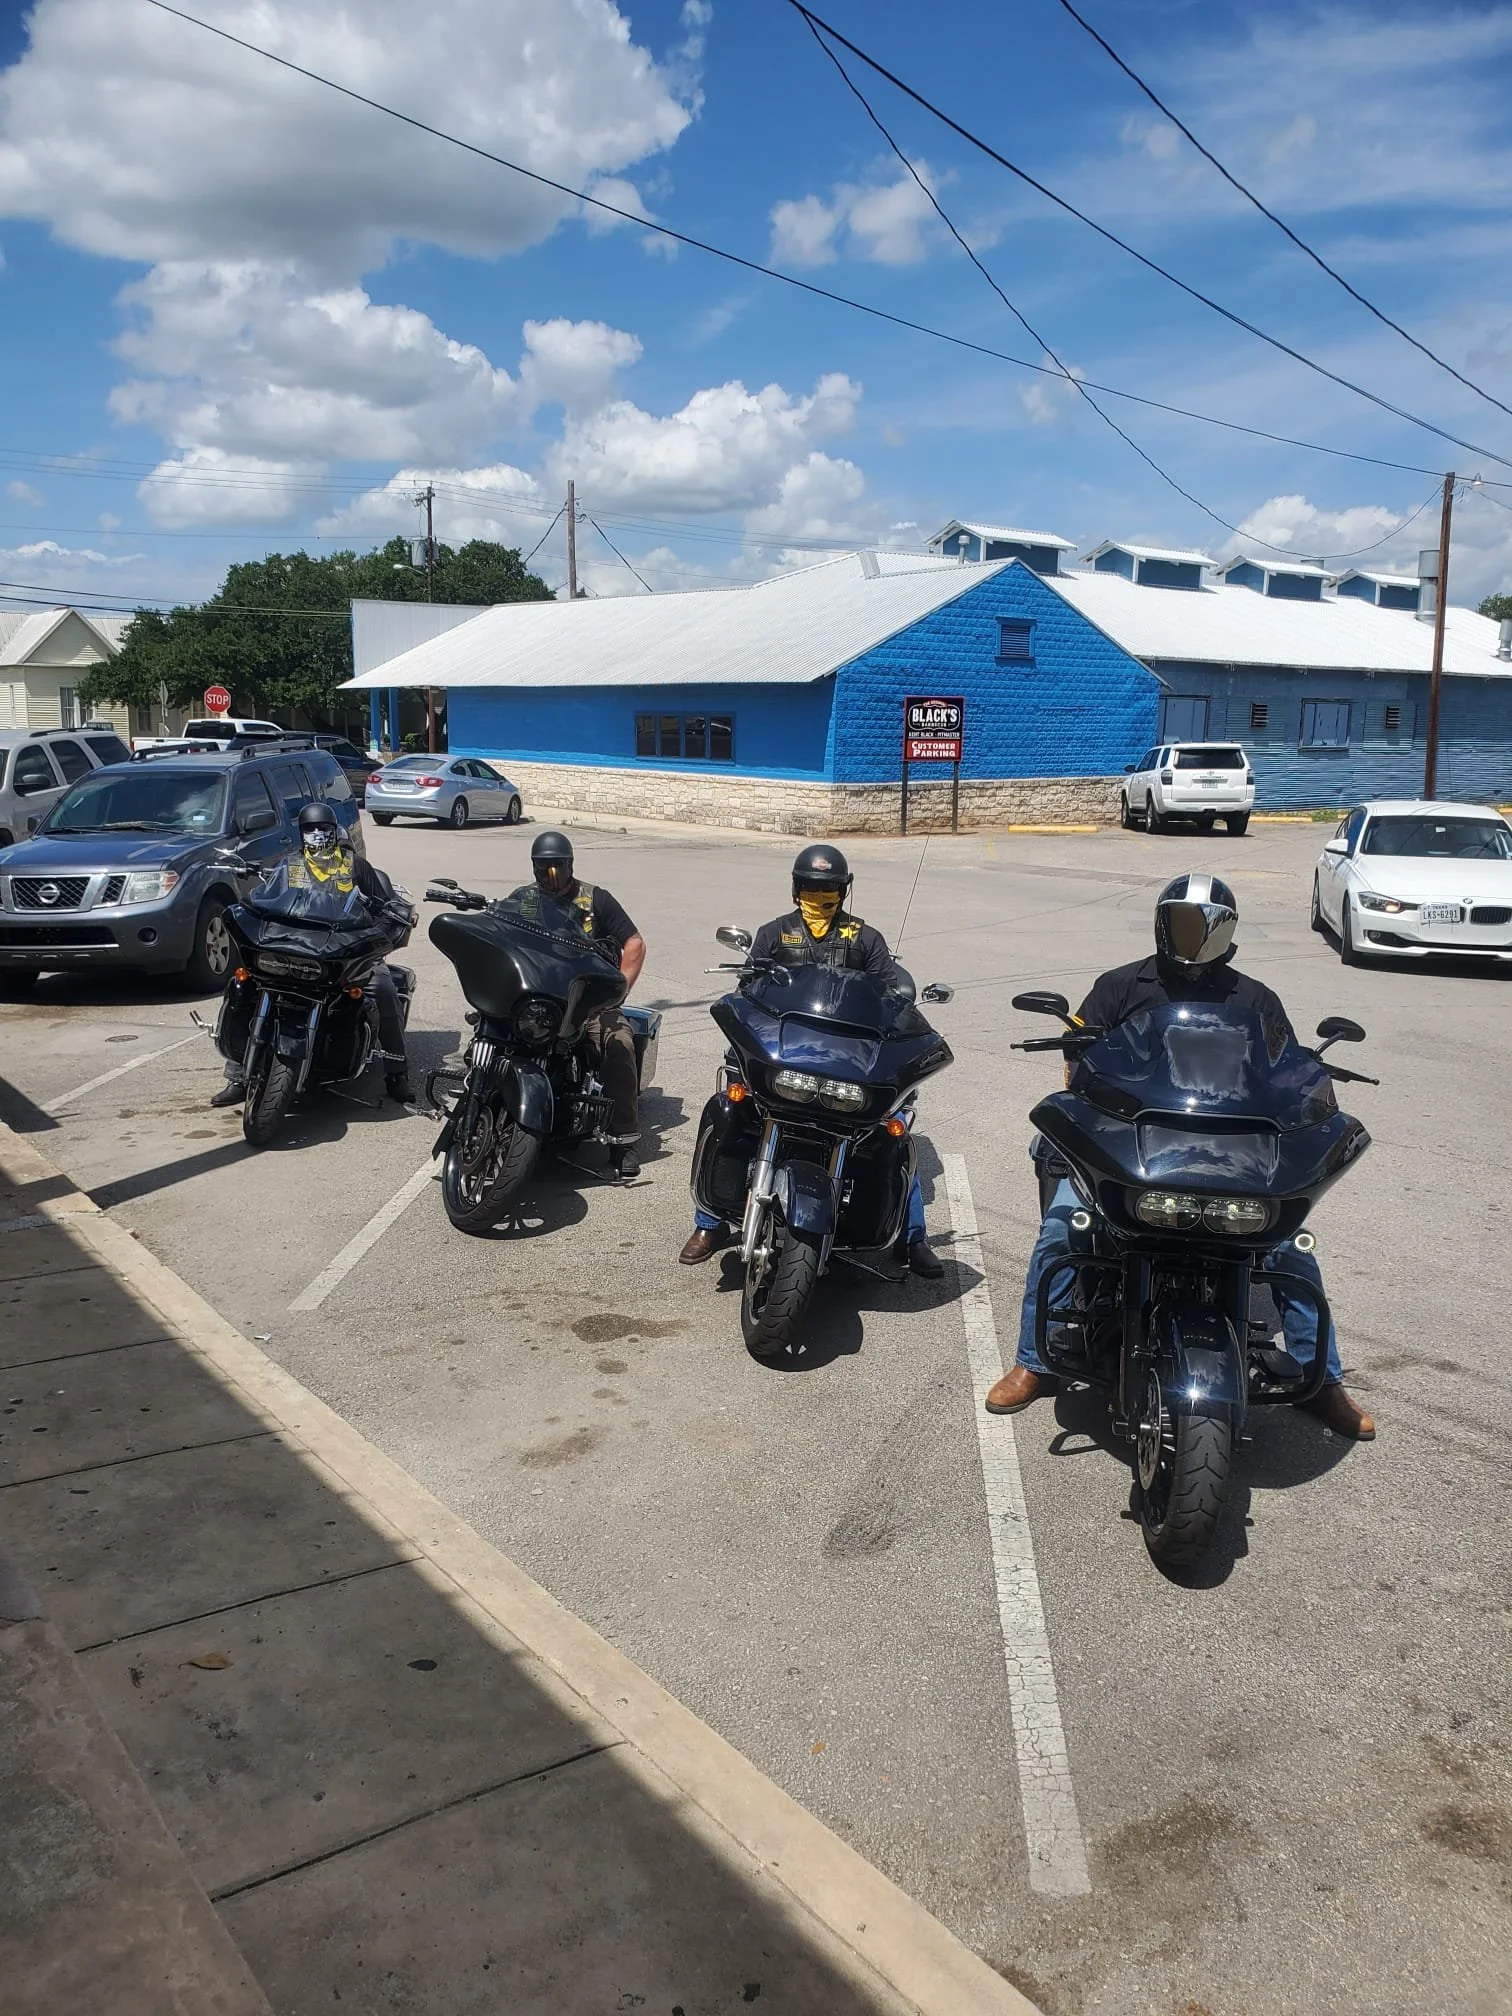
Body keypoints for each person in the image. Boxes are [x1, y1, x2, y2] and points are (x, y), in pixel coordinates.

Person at [985, 872, 1375, 1439]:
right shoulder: (1121, 985)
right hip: (1136, 1146)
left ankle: (1325, 1382)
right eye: (1185, 924)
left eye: (1211, 926)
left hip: (1232, 1153)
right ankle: (1034, 1362)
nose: (1196, 938)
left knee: (1291, 1250)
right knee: (1060, 1232)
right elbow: (1079, 1068)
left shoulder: (1256, 999)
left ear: (1229, 931)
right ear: (1162, 923)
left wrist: (1310, 1088)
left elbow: (1286, 1070)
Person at [678, 842, 943, 1278]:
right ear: (796, 887)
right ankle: (707, 1223)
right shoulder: (773, 932)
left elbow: (889, 995)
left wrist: (902, 1007)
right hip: (782, 1053)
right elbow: (748, 990)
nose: (818, 895)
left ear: (844, 889)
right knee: (729, 1113)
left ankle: (914, 1238)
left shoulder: (866, 939)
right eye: (810, 886)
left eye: (828, 887)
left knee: (892, 1134)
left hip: (841, 1059)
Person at [210, 801, 414, 1107]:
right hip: (291, 946)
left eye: (323, 829)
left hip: (340, 952)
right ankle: (238, 1073)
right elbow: (266, 898)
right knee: (247, 986)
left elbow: (387, 906)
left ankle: (397, 1073)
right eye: (310, 829)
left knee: (383, 990)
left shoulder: (354, 866)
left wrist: (381, 933)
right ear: (301, 833)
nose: (317, 834)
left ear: (334, 831)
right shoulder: (289, 865)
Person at [524, 830, 647, 1180]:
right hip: (540, 992)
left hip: (589, 998)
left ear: (569, 866)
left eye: (555, 867)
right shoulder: (527, 899)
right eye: (541, 867)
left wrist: (616, 991)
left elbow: (634, 943)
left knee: (619, 1043)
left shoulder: (595, 899)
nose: (549, 875)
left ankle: (622, 1141)